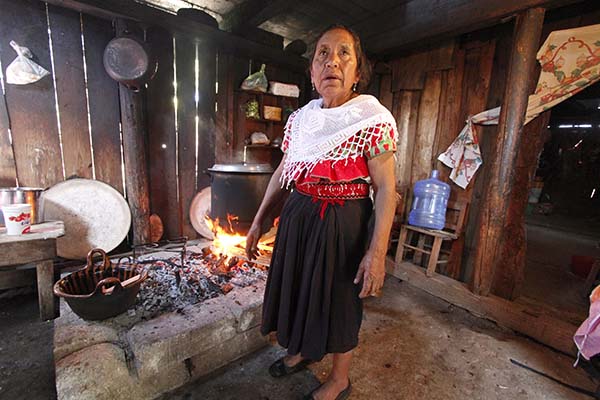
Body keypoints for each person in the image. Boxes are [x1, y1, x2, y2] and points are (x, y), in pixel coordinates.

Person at [245, 24, 397, 400]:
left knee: (340, 298)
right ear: (313, 73)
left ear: (357, 71)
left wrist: (377, 254)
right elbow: (285, 171)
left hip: (344, 219)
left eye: (344, 53)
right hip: (299, 214)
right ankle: (300, 351)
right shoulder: (302, 120)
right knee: (298, 286)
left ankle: (340, 379)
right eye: (322, 54)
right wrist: (260, 218)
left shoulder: (371, 118)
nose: (332, 62)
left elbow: (387, 190)